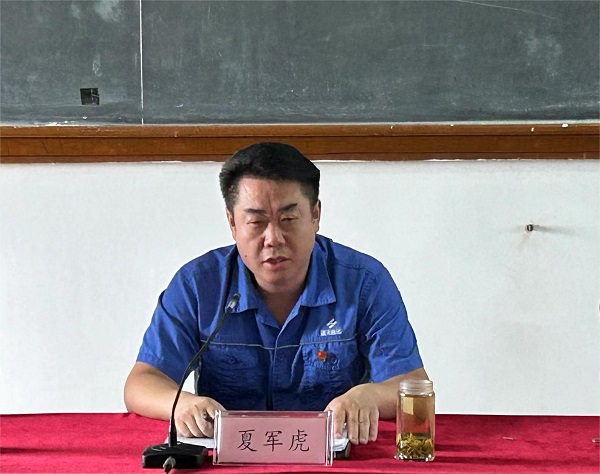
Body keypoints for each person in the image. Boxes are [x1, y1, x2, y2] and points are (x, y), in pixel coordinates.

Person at [124, 142, 428, 446]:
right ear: (232, 223)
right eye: (256, 222)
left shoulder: (364, 282)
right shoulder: (198, 286)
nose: (273, 239)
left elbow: (412, 384)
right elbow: (142, 382)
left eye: (288, 220)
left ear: (315, 215)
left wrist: (369, 395)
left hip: (333, 460)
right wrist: (181, 403)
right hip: (230, 458)